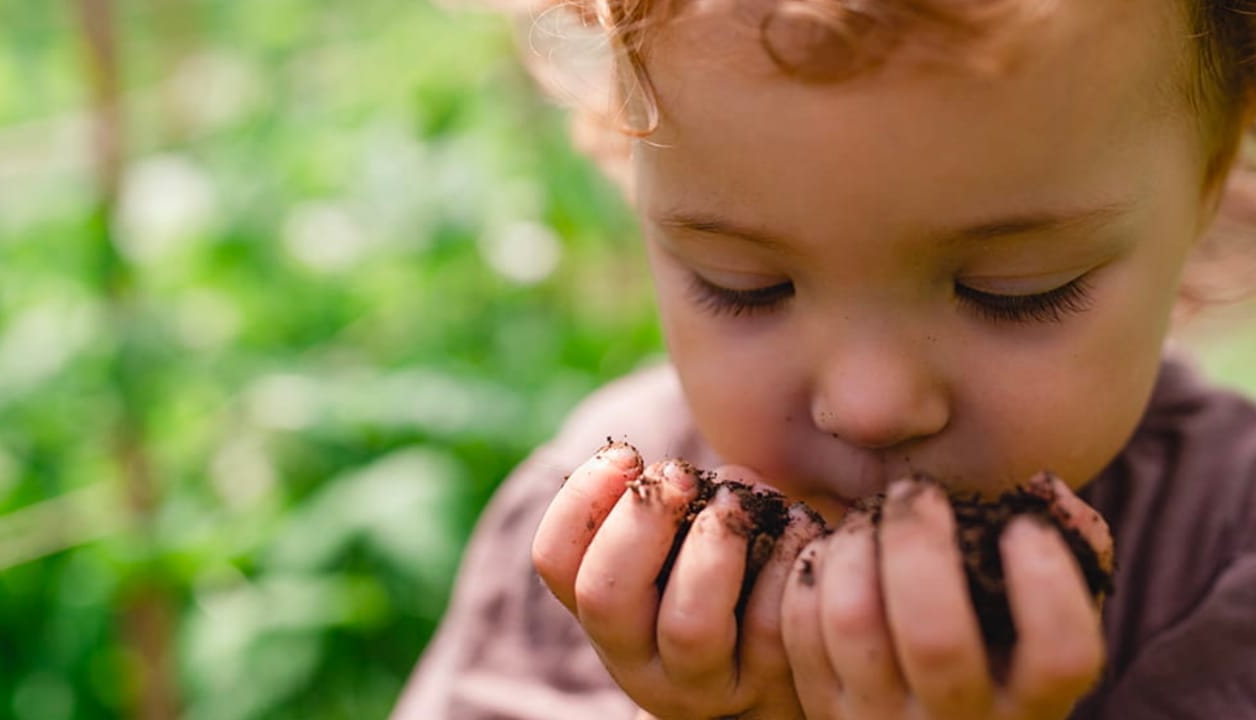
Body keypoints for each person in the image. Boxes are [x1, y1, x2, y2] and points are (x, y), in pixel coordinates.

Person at [395, 0, 1256, 717]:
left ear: (1215, 180)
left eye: (1014, 290)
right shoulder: (608, 546)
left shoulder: (1228, 566)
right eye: (746, 285)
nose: (869, 405)